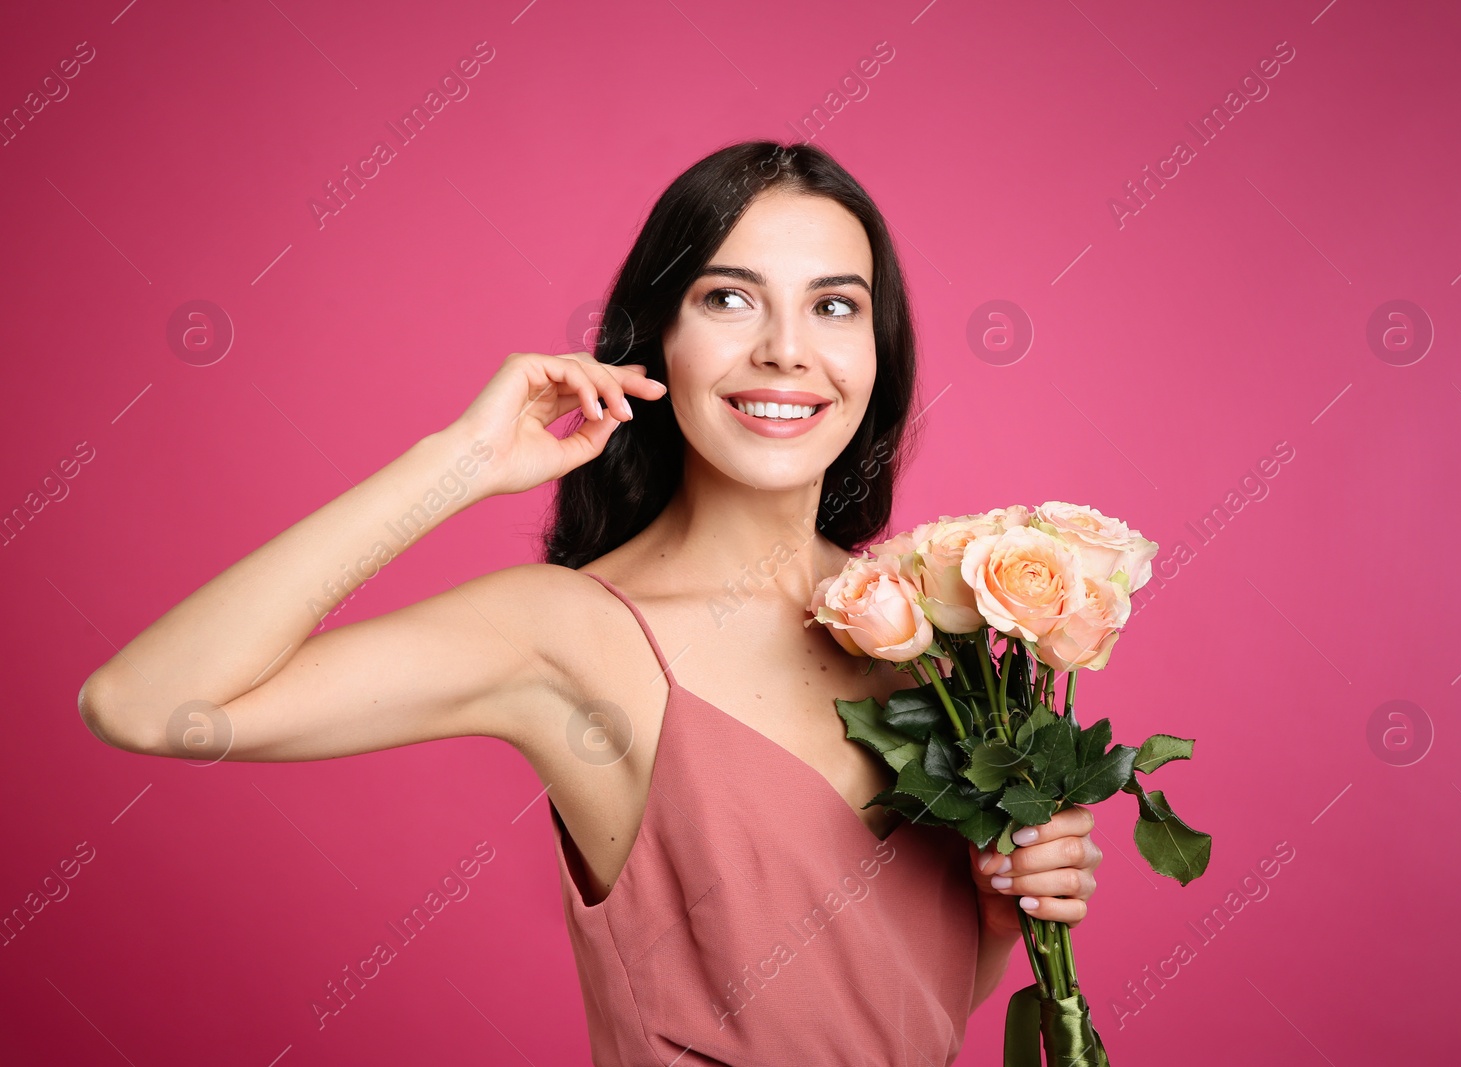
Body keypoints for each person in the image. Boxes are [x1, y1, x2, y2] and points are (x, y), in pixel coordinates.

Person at [78, 140, 1102, 1064]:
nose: (787, 349)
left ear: (874, 353)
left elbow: (887, 1017)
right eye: (728, 297)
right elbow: (144, 701)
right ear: (655, 336)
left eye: (833, 304)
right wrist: (459, 462)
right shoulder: (565, 631)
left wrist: (1002, 912)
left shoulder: (931, 632)